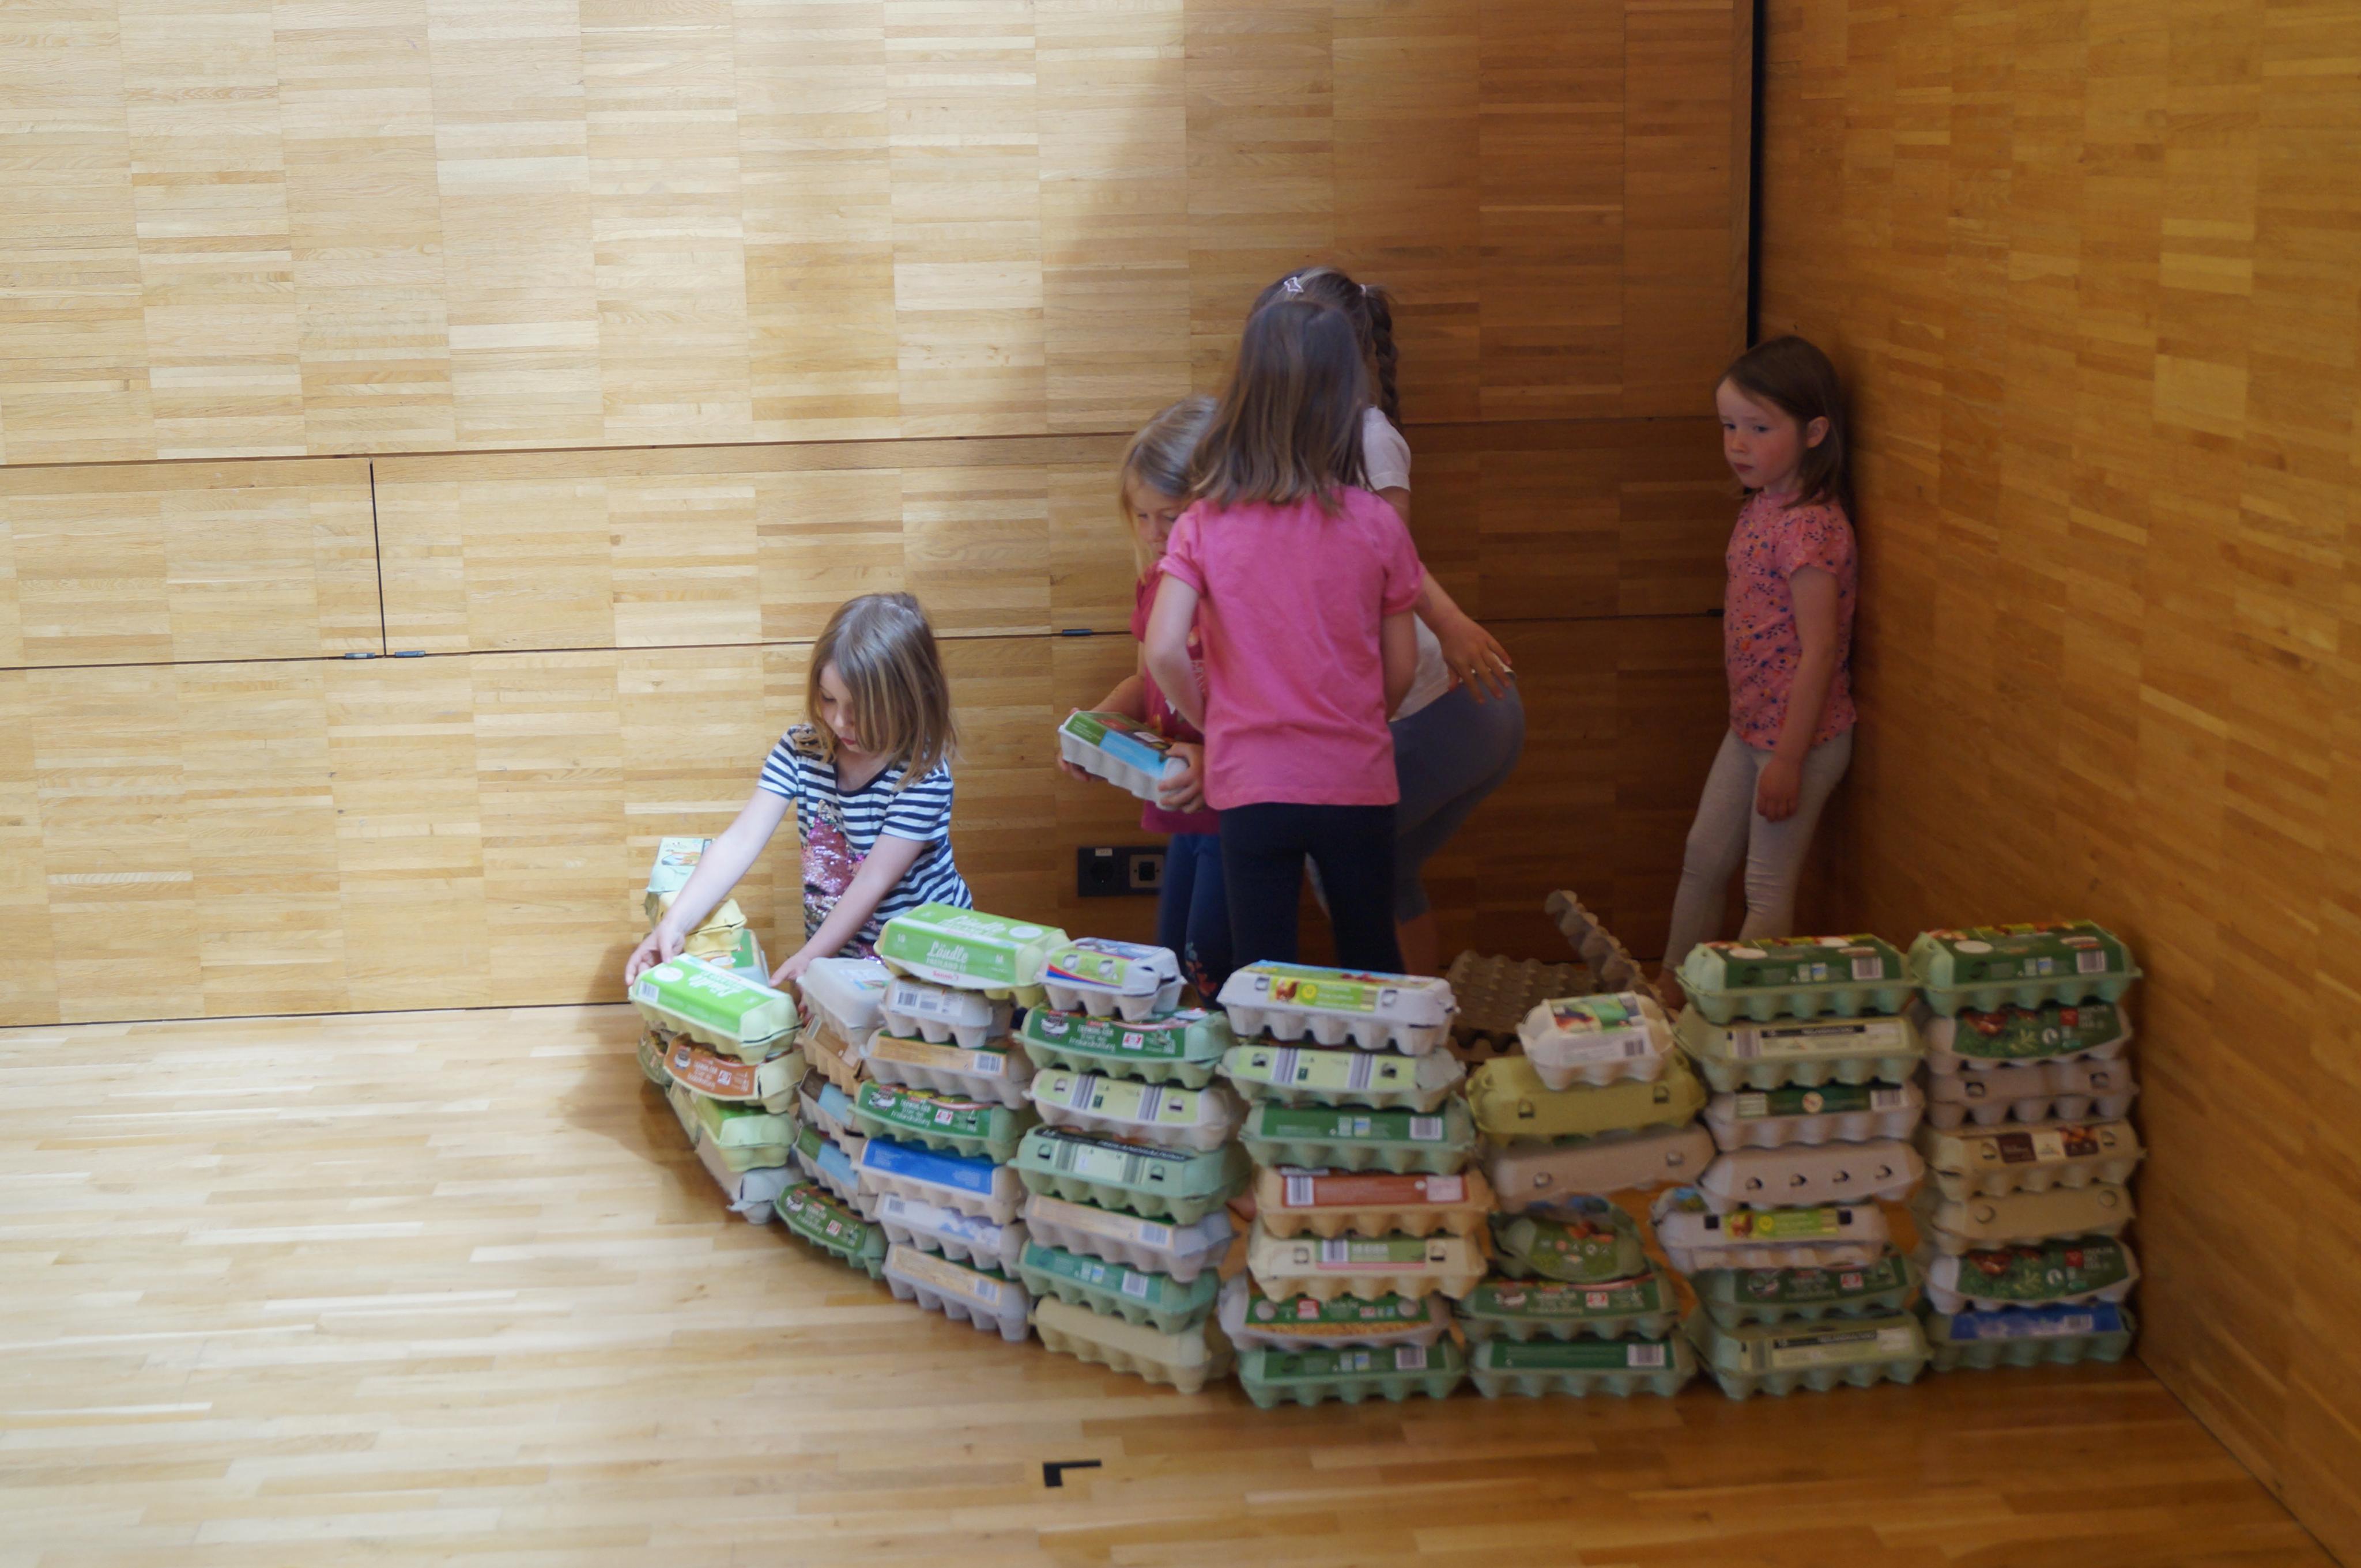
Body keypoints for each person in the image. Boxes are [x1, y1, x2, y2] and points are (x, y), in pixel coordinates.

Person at [1250, 267, 1525, 974]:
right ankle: (1417, 1018)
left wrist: (1451, 620)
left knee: (1338, 858)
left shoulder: (1368, 437)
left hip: (1445, 707)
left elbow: (1389, 558)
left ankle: (1398, 1022)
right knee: (1385, 870)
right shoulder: (1289, 440)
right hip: (1427, 704)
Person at [1144, 294, 1423, 973]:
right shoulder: (1377, 524)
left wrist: (1214, 721)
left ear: (1245, 398)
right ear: (1345, 404)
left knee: (1262, 973)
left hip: (1252, 784)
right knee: (1370, 957)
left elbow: (1162, 648)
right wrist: (1361, 720)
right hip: (1354, 779)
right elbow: (1403, 665)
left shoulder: (1204, 522)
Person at [625, 592, 971, 988]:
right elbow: (740, 840)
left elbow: (873, 881)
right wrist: (674, 924)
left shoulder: (923, 776)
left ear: (908, 698)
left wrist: (809, 956)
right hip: (838, 957)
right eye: (828, 699)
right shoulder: (801, 748)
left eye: (861, 708)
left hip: (925, 961)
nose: (840, 721)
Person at [1659, 335, 1858, 998]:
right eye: (1728, 427)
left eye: (1758, 428)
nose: (1737, 444)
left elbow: (1820, 650)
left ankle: (1734, 1017)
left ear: (1814, 433)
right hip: (1749, 728)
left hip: (1799, 739)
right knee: (1702, 858)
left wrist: (1789, 759)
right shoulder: (1763, 505)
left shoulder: (1809, 529)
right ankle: (1669, 994)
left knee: (1766, 888)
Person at [1061, 395, 1232, 996]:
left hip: (1234, 811)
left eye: (1171, 516)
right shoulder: (1155, 584)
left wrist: (1216, 756)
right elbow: (1144, 683)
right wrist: (1097, 727)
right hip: (1185, 807)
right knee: (1174, 954)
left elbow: (1269, 714)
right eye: (1142, 516)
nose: (1156, 534)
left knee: (1213, 961)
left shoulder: (1236, 595)